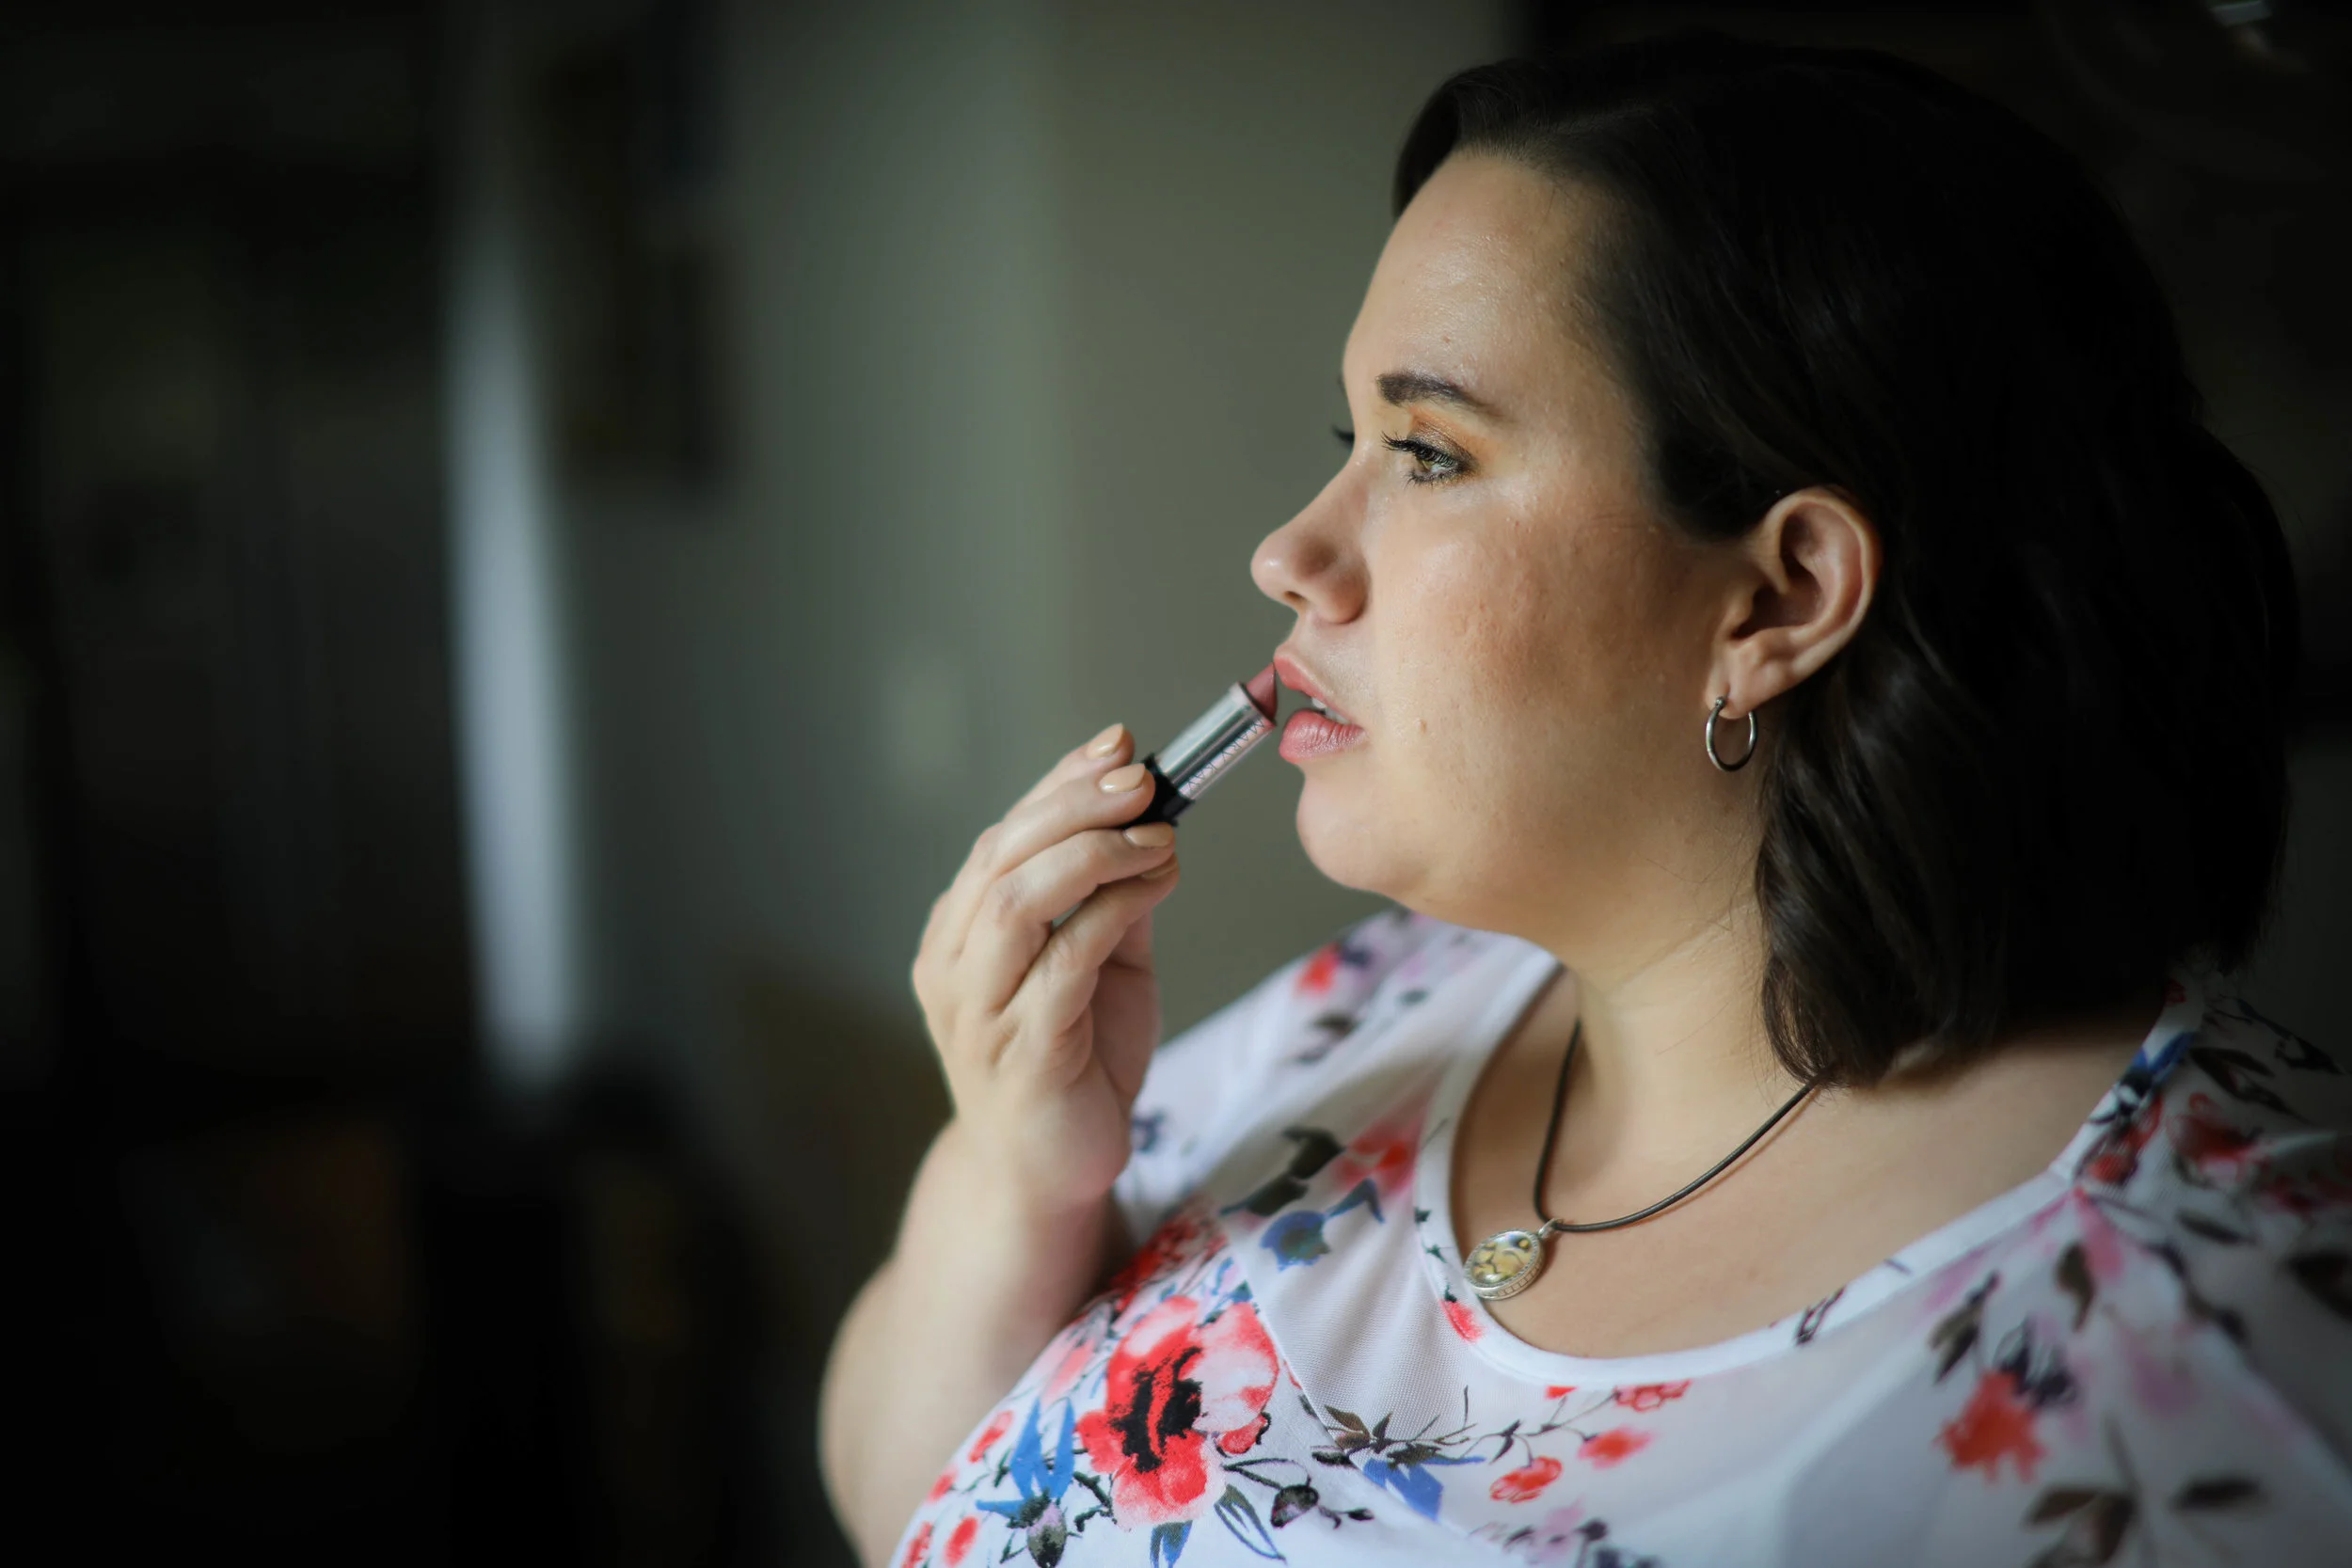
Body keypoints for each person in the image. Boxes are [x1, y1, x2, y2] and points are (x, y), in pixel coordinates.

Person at [819, 33, 2352, 1567]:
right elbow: (908, 1498)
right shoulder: (1387, 999)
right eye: (1350, 441)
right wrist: (1021, 1172)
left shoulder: (2216, 1360)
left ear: (1779, 597)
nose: (1288, 555)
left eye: (1426, 452)